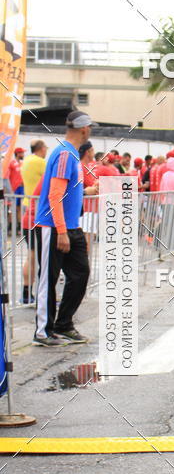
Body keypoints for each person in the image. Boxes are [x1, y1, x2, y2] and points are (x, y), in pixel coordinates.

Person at [33, 114, 93, 346]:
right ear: (84, 129)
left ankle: (63, 324)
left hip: (69, 226)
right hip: (54, 227)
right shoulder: (65, 153)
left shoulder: (70, 154)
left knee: (80, 274)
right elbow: (55, 194)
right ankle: (42, 332)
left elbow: (67, 191)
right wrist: (61, 230)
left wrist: (86, 193)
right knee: (48, 279)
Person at [20, 140, 48, 303]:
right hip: (38, 211)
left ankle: (26, 292)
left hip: (27, 206)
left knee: (30, 255)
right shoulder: (40, 162)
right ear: (41, 149)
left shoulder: (27, 161)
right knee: (41, 257)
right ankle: (41, 295)